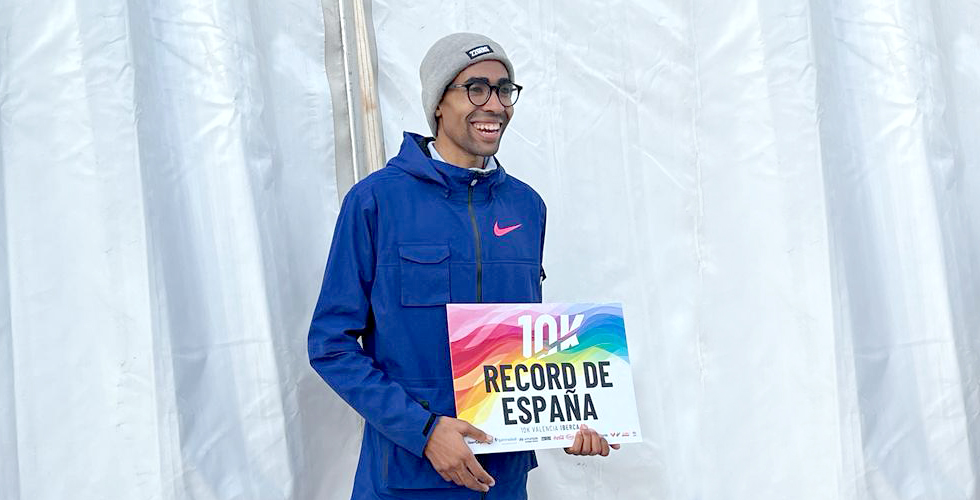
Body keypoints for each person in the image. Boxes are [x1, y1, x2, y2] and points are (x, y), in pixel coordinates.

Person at [308, 32, 617, 500]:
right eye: (476, 88)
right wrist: (424, 430)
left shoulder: (526, 207)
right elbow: (330, 345)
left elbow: (525, 342)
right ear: (438, 102)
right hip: (406, 479)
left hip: (503, 481)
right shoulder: (375, 202)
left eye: (504, 88)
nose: (494, 103)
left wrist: (570, 417)